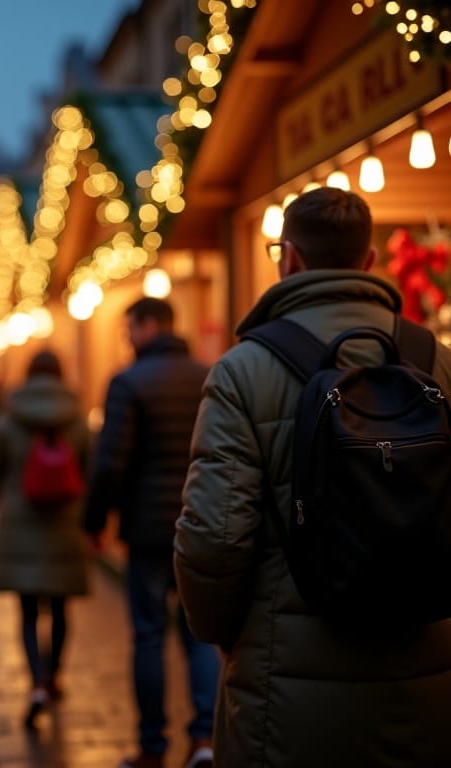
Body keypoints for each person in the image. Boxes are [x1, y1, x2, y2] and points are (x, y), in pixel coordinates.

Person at [175, 187, 451, 767]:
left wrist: (223, 632)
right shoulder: (437, 360)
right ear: (369, 261)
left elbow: (214, 536)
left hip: (285, 680)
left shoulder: (243, 370)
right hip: (429, 672)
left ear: (290, 258)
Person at [84, 297, 217, 768]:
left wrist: (95, 522)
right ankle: (205, 739)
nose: (125, 339)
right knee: (199, 634)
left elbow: (109, 464)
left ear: (147, 326)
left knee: (147, 636)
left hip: (145, 530)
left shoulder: (127, 382)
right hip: (201, 523)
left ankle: (152, 745)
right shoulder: (208, 375)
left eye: (128, 329)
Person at [0, 349, 89, 731]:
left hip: (19, 524)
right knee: (60, 609)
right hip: (64, 525)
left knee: (27, 612)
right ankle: (54, 674)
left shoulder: (9, 418)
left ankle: (36, 681)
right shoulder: (76, 417)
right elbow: (92, 468)